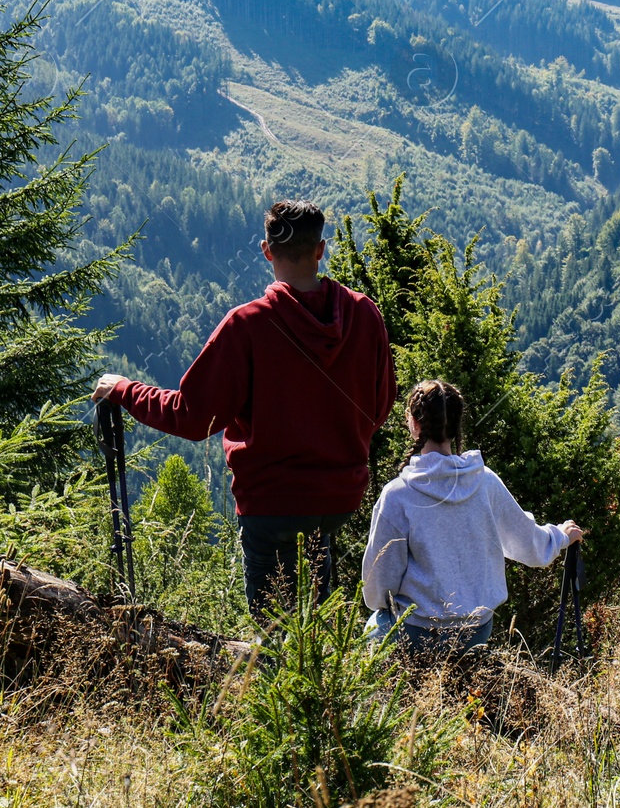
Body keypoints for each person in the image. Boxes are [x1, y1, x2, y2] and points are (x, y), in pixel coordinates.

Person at [93, 200, 396, 620]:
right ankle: (324, 678)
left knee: (274, 631)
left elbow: (193, 417)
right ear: (320, 250)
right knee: (315, 612)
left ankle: (284, 676)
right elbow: (380, 406)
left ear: (266, 250)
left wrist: (125, 390)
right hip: (338, 498)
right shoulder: (363, 315)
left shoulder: (249, 325)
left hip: (271, 504)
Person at [363, 379, 585, 654]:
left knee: (374, 626)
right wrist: (561, 536)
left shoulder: (398, 495)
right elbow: (528, 544)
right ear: (456, 426)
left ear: (414, 424)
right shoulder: (484, 482)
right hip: (475, 631)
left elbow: (377, 590)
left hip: (417, 632)